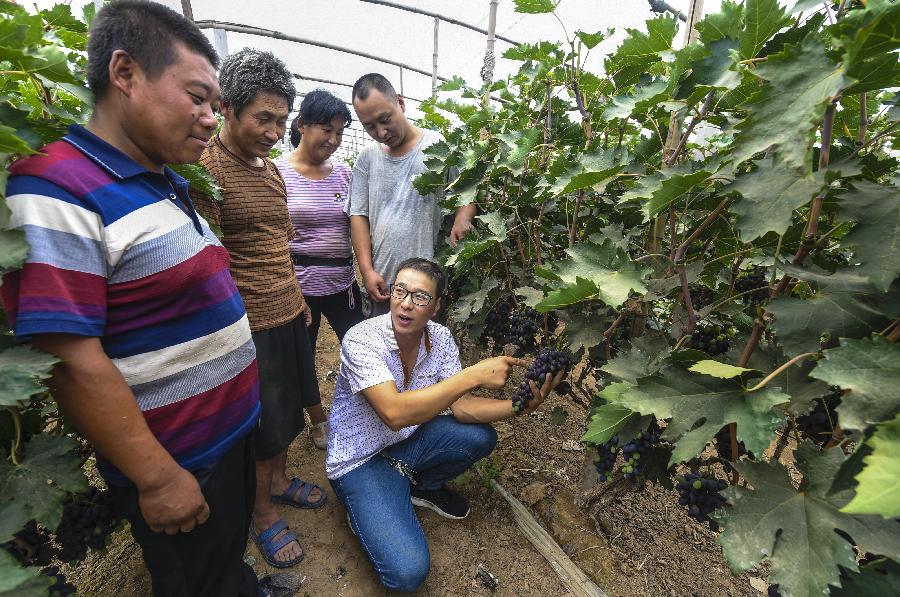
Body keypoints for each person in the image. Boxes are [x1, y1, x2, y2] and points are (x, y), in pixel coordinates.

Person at [0, 2, 265, 595]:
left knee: (223, 565)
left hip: (222, 441)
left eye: (214, 105)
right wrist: (156, 479)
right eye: (196, 97)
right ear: (125, 73)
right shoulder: (55, 188)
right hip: (179, 462)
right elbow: (67, 358)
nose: (207, 118)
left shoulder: (160, 177)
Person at [326, 258, 563, 592]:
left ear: (435, 307)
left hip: (406, 442)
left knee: (478, 436)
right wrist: (472, 375)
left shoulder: (440, 338)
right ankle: (366, 506)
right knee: (407, 573)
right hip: (360, 460)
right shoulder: (362, 340)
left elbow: (462, 408)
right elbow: (393, 413)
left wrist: (518, 406)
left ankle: (420, 486)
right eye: (400, 291)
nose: (406, 304)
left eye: (420, 297)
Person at [190, 49, 324, 570]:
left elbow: (279, 241)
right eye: (262, 118)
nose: (273, 131)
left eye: (281, 121)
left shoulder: (269, 170)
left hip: (289, 310)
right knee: (261, 422)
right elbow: (207, 258)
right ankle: (262, 511)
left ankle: (282, 480)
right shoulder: (206, 168)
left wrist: (298, 301)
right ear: (228, 108)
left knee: (288, 410)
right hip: (247, 324)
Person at [274, 89, 364, 450]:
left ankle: (364, 409)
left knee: (360, 346)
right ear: (301, 125)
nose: (334, 140)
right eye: (326, 129)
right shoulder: (277, 172)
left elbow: (357, 225)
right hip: (299, 288)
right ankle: (319, 420)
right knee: (302, 357)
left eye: (340, 133)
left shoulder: (344, 174)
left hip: (343, 283)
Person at [347, 73, 476, 318]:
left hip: (425, 288)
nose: (381, 132)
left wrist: (463, 217)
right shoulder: (367, 159)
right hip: (382, 285)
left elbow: (467, 188)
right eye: (370, 126)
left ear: (401, 102)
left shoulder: (437, 147)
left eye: (385, 119)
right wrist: (366, 270)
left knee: (424, 352)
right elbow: (358, 216)